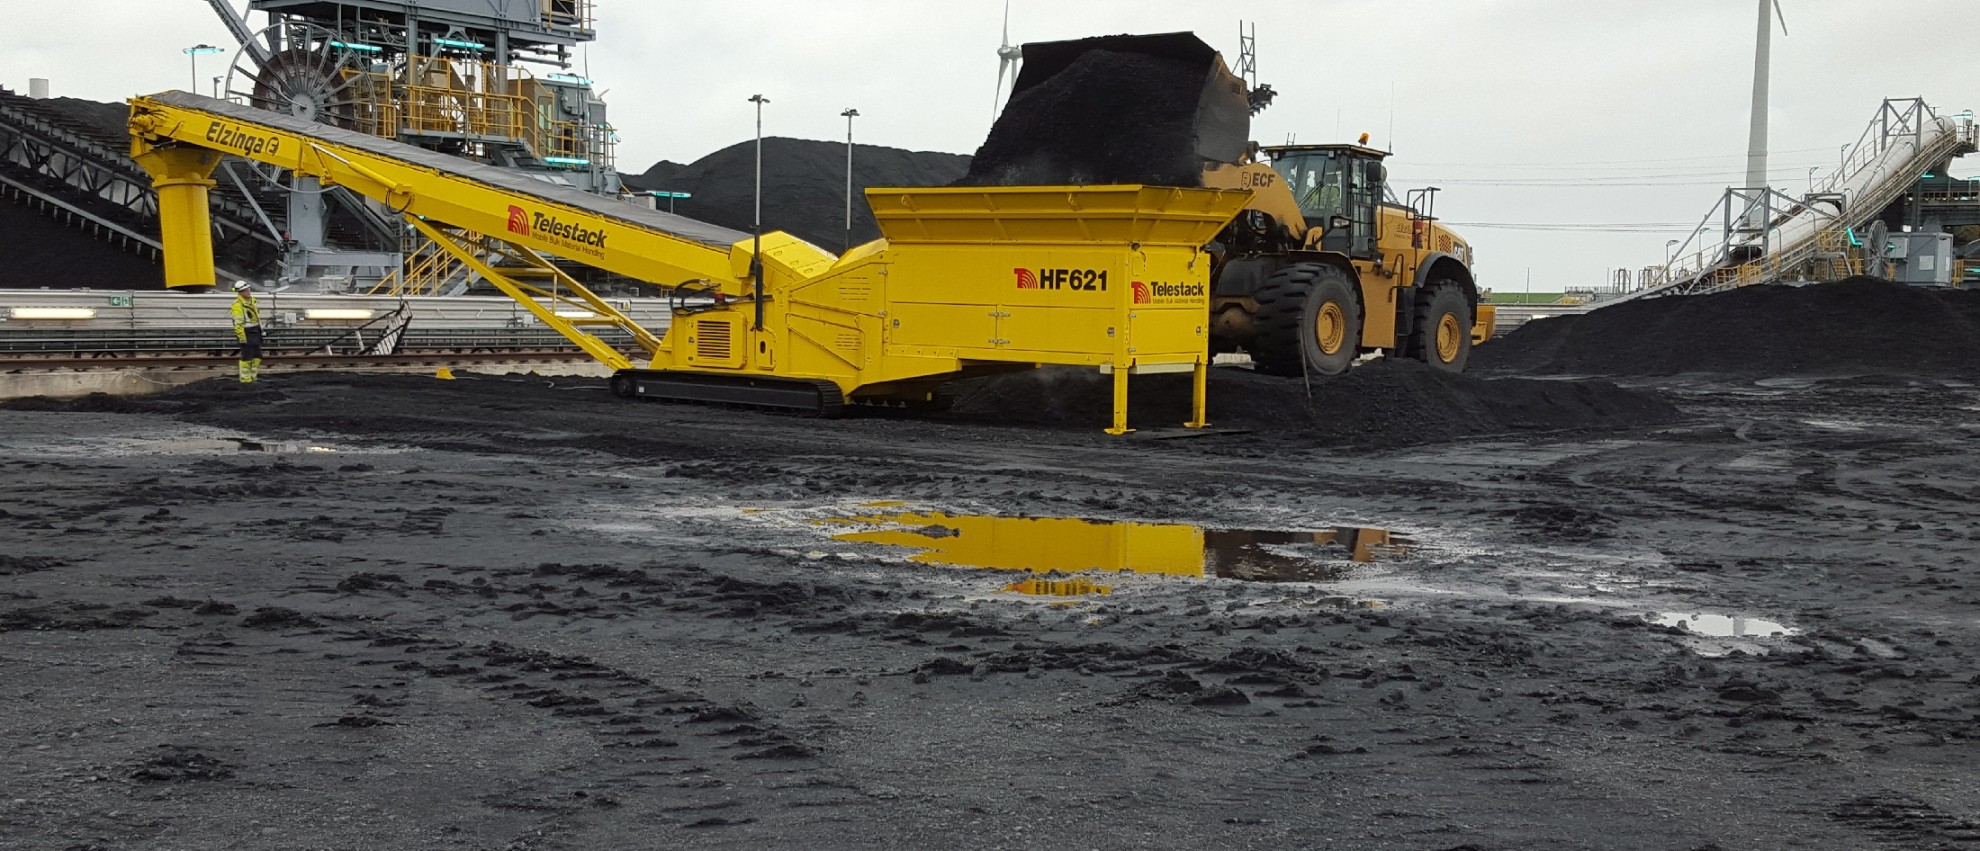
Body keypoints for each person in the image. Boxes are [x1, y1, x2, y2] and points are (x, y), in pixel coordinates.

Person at [230, 281, 262, 383]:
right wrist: (242, 337)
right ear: (240, 292)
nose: (248, 292)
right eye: (245, 290)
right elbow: (238, 324)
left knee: (257, 356)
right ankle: (245, 379)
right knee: (247, 356)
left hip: (255, 331)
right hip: (246, 332)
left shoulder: (252, 301)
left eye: (248, 289)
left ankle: (252, 377)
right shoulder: (238, 305)